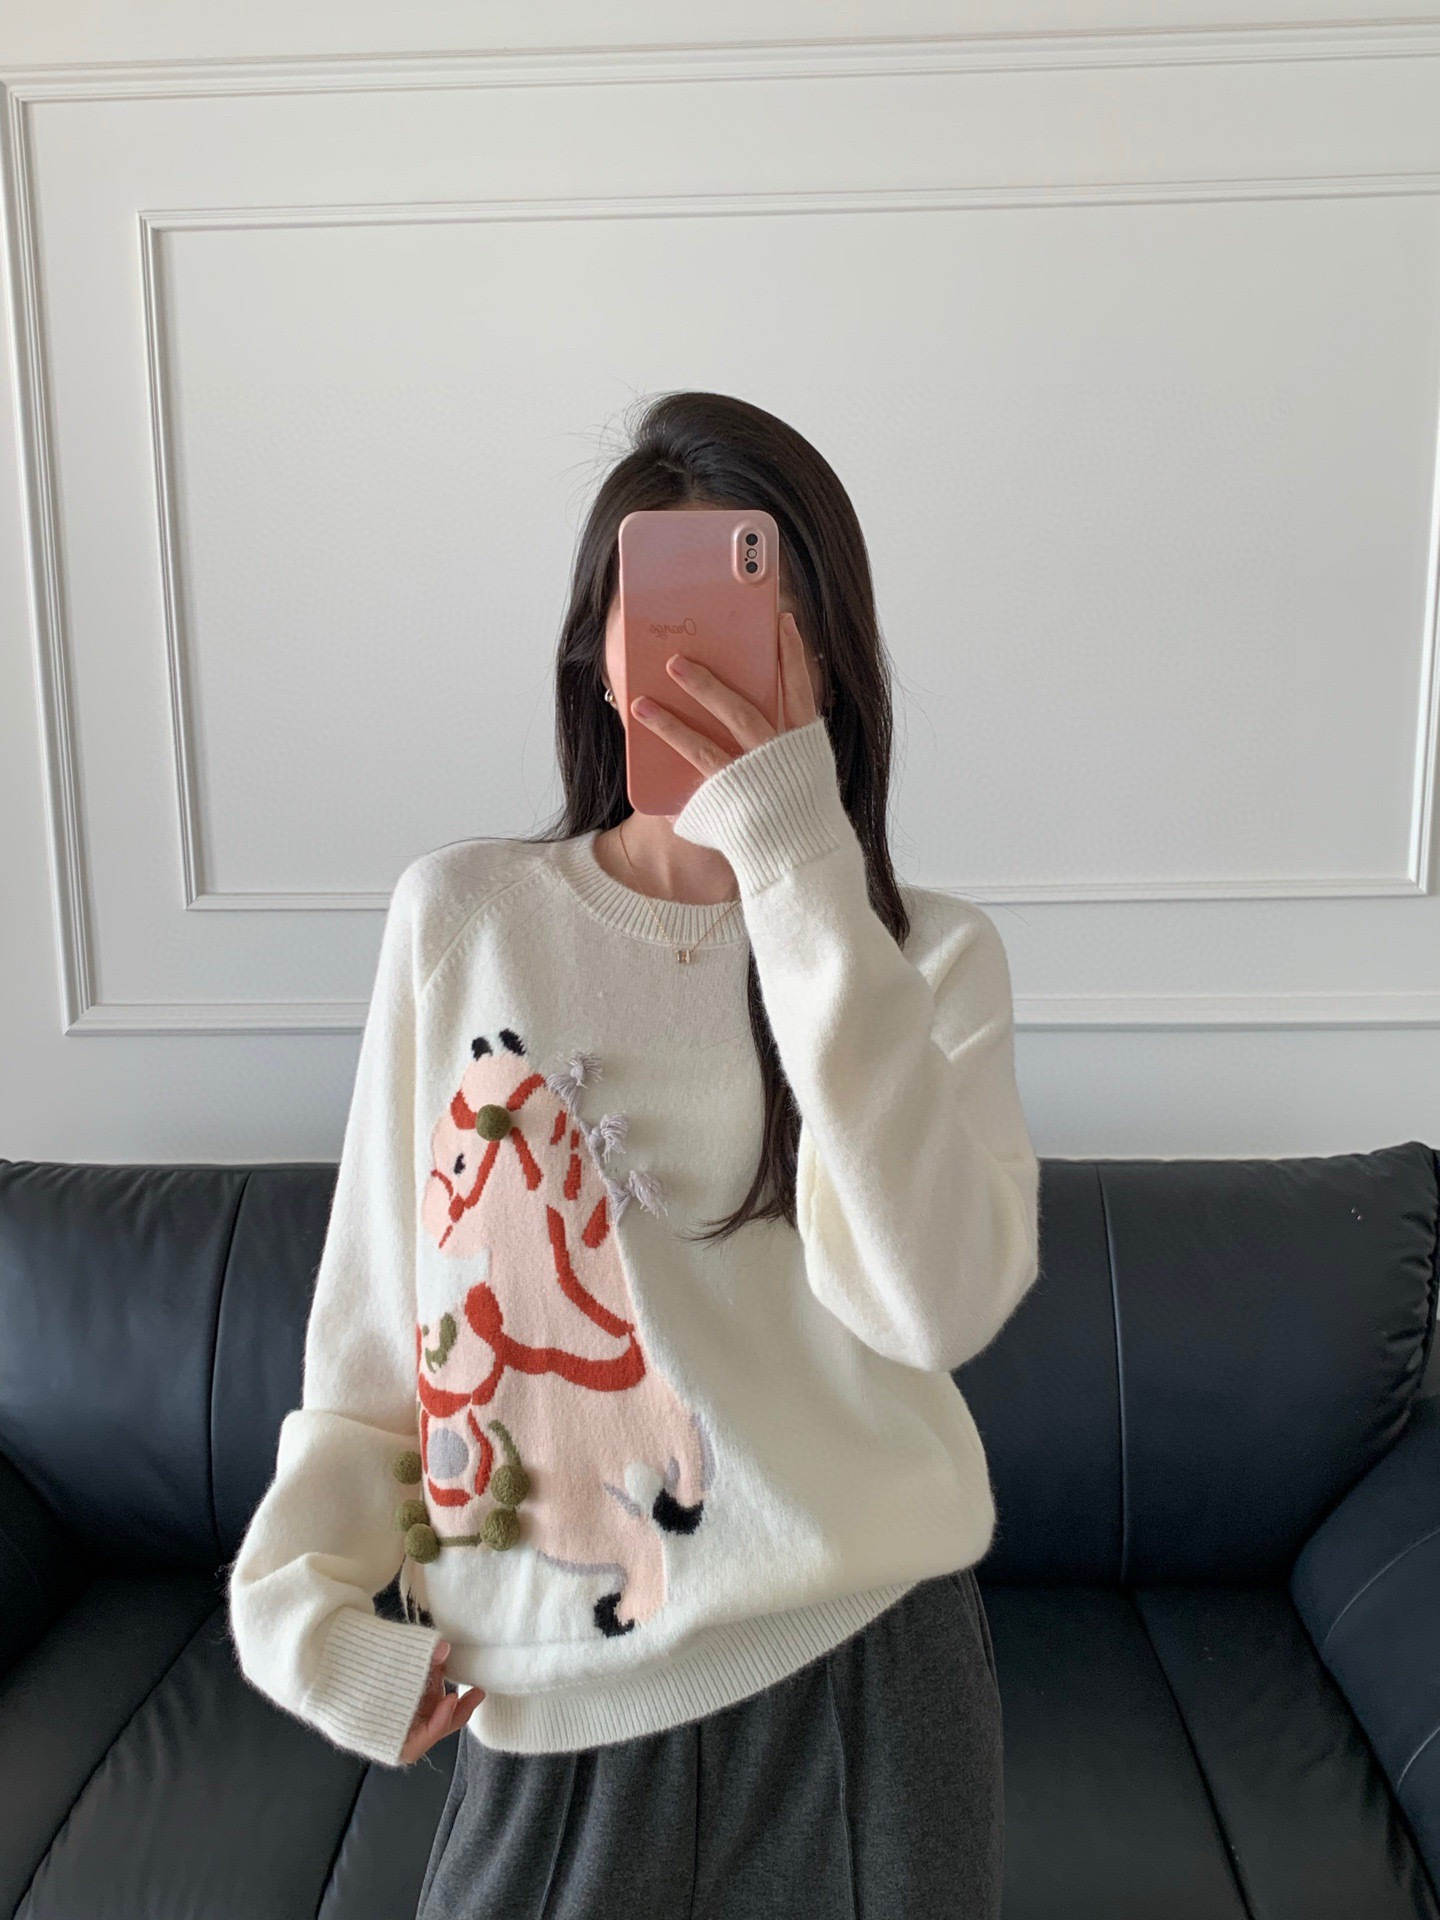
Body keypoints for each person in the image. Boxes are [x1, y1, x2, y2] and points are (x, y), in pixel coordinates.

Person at [227, 390, 1039, 1919]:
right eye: (656, 613)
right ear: (594, 656)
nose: (702, 661)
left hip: (870, 1681)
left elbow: (933, 1313)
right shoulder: (468, 920)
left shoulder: (926, 959)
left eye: (763, 617)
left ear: (830, 659)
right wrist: (301, 1611)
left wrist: (797, 868)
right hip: (555, 1707)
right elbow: (386, 1324)